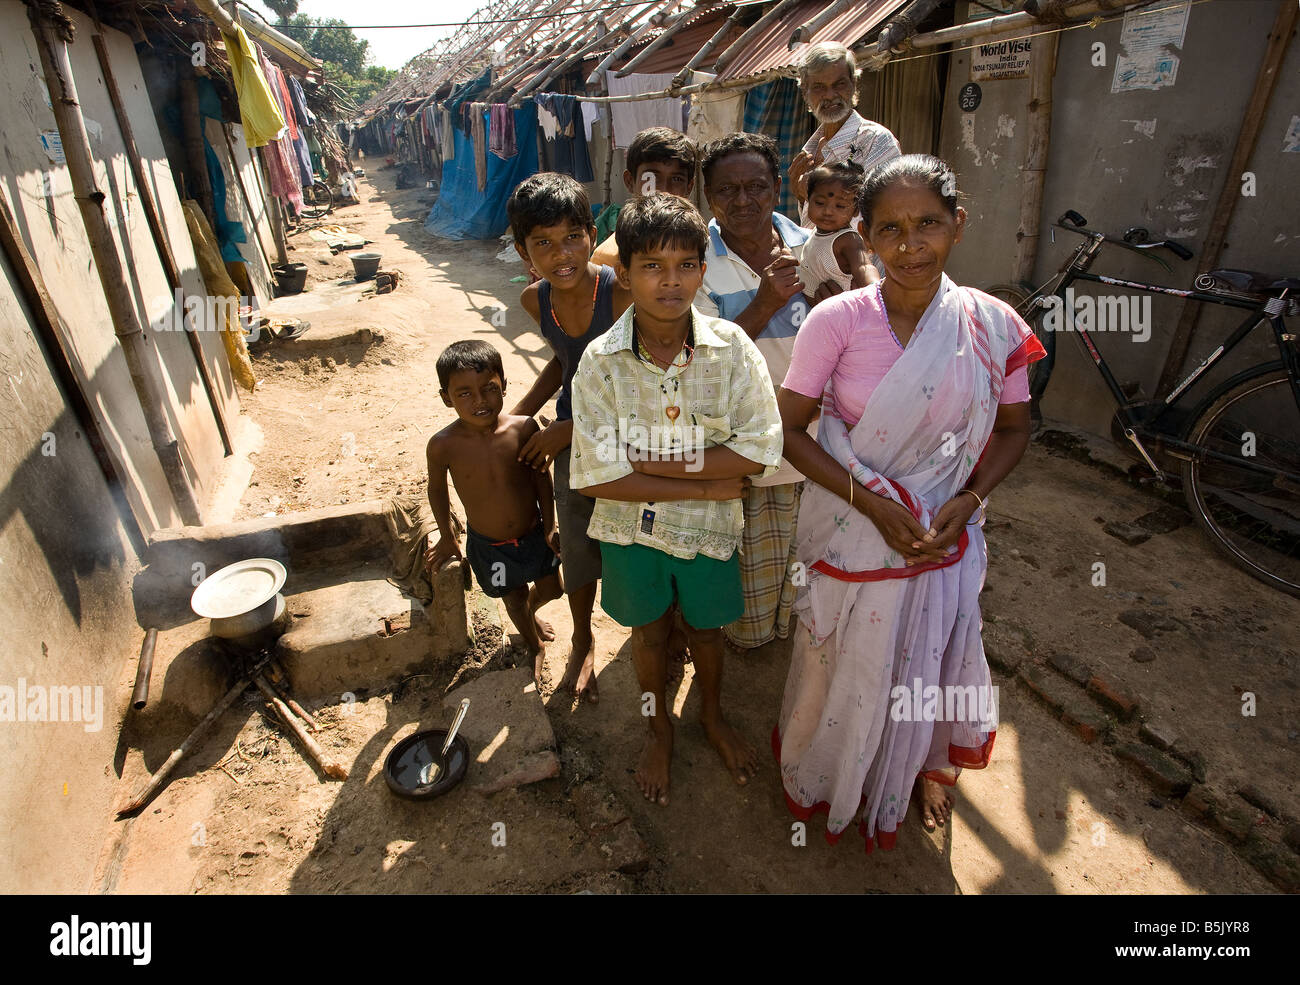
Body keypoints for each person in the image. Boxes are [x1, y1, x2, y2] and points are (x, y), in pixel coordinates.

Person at [774, 154, 1046, 851]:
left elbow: (1015, 428)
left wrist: (972, 494)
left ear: (959, 224)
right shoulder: (836, 321)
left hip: (946, 535)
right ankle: (834, 772)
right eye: (889, 228)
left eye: (928, 223)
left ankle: (919, 765)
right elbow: (789, 430)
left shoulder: (992, 324)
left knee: (930, 657)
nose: (909, 244)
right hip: (852, 528)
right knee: (842, 660)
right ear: (863, 235)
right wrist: (870, 502)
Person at [569, 194, 784, 805]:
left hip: (709, 530)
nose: (671, 281)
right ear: (625, 272)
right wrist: (709, 478)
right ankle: (658, 726)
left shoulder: (733, 348)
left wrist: (653, 465)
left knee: (710, 632)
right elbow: (593, 478)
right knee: (648, 635)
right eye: (653, 266)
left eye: (686, 265)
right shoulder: (600, 364)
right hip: (630, 534)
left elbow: (758, 450)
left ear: (702, 269)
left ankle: (710, 716)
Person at [506, 173, 632, 701]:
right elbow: (565, 363)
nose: (562, 255)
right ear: (523, 252)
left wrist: (569, 429)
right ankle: (583, 639)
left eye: (572, 238)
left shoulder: (621, 295)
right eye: (543, 244)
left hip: (629, 438)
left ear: (590, 233)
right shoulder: (536, 301)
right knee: (577, 547)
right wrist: (517, 416)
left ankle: (659, 636)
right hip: (572, 447)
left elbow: (643, 383)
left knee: (635, 541)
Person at [695, 132, 816, 651]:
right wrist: (765, 302)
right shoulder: (694, 258)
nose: (743, 201)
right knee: (752, 565)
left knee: (808, 555)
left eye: (757, 187)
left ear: (777, 189)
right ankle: (748, 641)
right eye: (727, 190)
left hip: (818, 443)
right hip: (746, 447)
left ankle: (797, 637)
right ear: (709, 196)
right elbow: (702, 360)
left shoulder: (814, 247)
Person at [425, 340, 563, 682]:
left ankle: (529, 617)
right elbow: (437, 489)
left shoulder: (523, 429)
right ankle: (534, 645)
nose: (480, 401)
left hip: (533, 536)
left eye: (489, 389)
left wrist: (549, 525)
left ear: (504, 384)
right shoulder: (443, 445)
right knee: (512, 597)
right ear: (447, 398)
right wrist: (447, 537)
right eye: (465, 394)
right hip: (490, 547)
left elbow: (541, 477)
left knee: (552, 590)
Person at [787, 41, 900, 229]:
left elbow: (880, 217)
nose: (830, 95)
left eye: (839, 84)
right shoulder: (810, 151)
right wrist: (801, 197)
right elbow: (811, 228)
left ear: (853, 84)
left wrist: (815, 196)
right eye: (819, 87)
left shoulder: (877, 141)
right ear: (805, 92)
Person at [591, 127, 699, 270]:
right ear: (630, 181)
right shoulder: (609, 257)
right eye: (651, 178)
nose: (663, 190)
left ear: (689, 188)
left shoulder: (700, 247)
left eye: (676, 179)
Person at [796, 161, 877, 299]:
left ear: (855, 210)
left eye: (840, 206)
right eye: (820, 203)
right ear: (808, 199)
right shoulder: (814, 233)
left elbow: (864, 267)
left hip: (841, 314)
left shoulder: (848, 240)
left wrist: (876, 294)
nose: (828, 211)